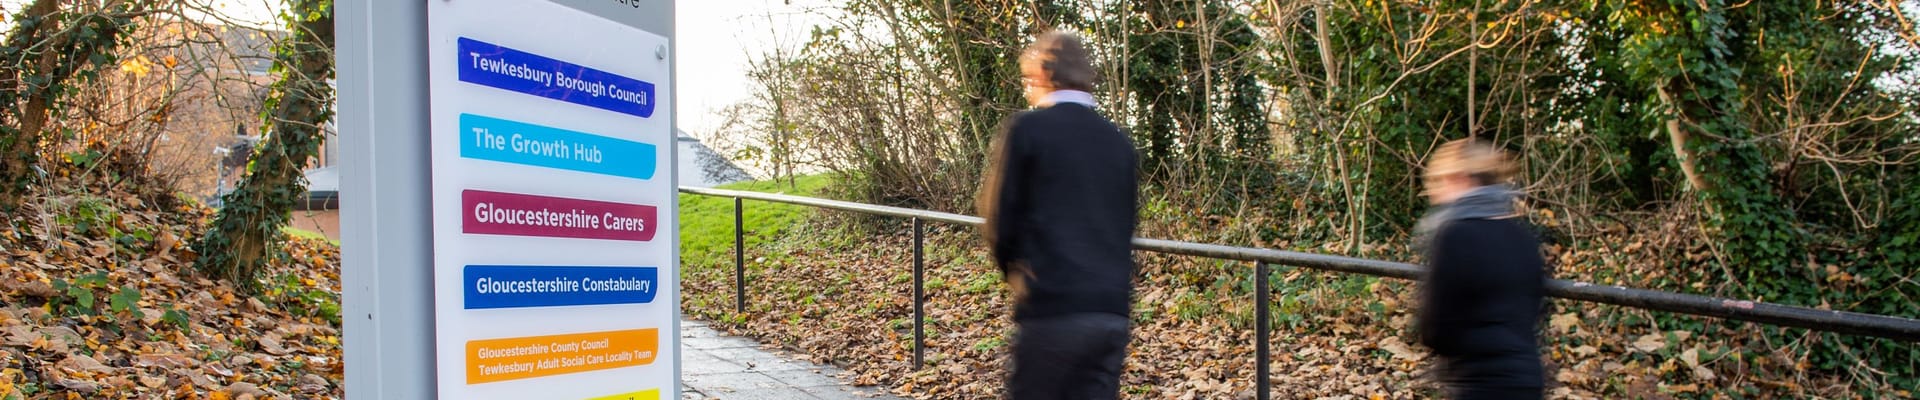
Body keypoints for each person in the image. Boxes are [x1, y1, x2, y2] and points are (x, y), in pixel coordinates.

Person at [977, 30, 1139, 400]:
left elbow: (1000, 219)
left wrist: (1018, 274)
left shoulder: (1028, 129)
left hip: (1052, 307)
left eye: (1028, 78)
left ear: (1044, 75)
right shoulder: (1117, 140)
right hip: (1109, 312)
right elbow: (1126, 225)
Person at [1414, 139, 1547, 399]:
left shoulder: (1454, 234)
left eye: (1440, 181)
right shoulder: (1522, 235)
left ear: (1460, 179)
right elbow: (1536, 309)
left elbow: (1435, 328)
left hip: (1479, 383)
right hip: (1528, 379)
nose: (1435, 193)